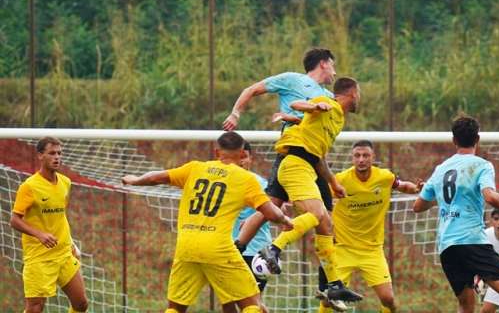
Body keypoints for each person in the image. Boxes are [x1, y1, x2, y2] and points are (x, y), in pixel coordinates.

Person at [121, 132, 293, 313]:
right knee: (251, 304)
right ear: (243, 154)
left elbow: (156, 177)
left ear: (216, 152)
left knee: (175, 308)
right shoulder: (245, 179)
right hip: (219, 248)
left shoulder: (194, 168)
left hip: (186, 246)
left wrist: (135, 180)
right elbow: (270, 212)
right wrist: (285, 220)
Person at [259, 77, 363, 303]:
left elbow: (318, 156)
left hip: (307, 167)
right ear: (353, 93)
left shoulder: (337, 121)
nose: (359, 98)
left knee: (326, 224)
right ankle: (274, 248)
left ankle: (333, 285)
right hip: (294, 164)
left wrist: (334, 183)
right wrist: (315, 105)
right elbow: (297, 104)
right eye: (359, 93)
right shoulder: (328, 104)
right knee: (317, 215)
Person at [413, 115, 499, 313]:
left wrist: (437, 195)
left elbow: (418, 206)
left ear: (454, 140)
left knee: (466, 305)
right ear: (477, 139)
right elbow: (490, 196)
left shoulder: (441, 169)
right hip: (471, 240)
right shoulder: (481, 165)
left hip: (447, 246)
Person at [222, 47, 339, 210]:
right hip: (292, 147)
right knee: (275, 204)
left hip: (315, 154)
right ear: (323, 64)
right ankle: (247, 231)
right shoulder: (291, 79)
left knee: (323, 210)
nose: (335, 73)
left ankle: (278, 228)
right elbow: (251, 90)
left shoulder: (329, 97)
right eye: (333, 66)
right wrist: (235, 114)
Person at [317, 140, 423, 313]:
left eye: (365, 155)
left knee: (389, 300)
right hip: (343, 249)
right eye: (357, 156)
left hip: (372, 250)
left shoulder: (384, 177)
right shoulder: (340, 180)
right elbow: (317, 196)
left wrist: (416, 189)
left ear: (373, 157)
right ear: (352, 158)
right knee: (329, 301)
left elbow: (402, 185)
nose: (361, 159)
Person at [10, 136, 88, 313]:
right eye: (52, 153)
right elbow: (14, 220)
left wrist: (71, 242)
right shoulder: (29, 187)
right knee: (35, 308)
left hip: (63, 253)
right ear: (40, 156)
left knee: (81, 304)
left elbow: (60, 217)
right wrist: (40, 234)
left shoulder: (65, 183)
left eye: (60, 153)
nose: (57, 157)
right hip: (39, 258)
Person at [222, 141, 272, 313]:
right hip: (228, 249)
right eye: (238, 157)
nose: (241, 161)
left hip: (255, 251)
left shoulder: (261, 183)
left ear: (251, 158)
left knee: (252, 304)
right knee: (227, 302)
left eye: (245, 157)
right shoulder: (222, 183)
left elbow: (273, 208)